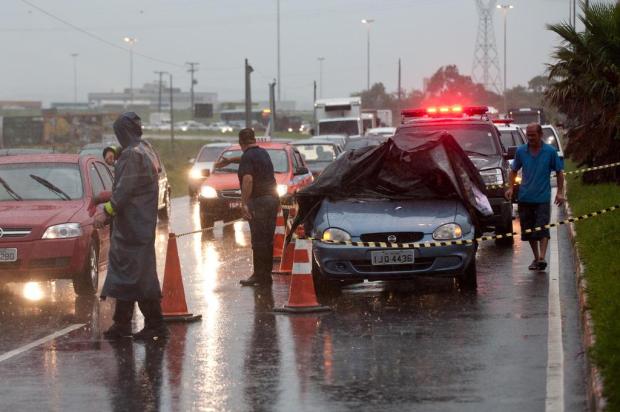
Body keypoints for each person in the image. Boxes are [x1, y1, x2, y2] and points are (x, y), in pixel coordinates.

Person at [97, 112, 168, 340]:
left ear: (123, 132)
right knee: (128, 275)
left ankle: (155, 324)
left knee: (137, 276)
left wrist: (106, 212)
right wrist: (113, 152)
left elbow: (124, 190)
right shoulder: (145, 149)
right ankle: (122, 323)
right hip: (140, 224)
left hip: (132, 227)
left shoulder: (131, 156)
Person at [215, 128, 279, 287]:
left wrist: (244, 204)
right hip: (272, 200)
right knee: (267, 240)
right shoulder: (262, 153)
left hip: (259, 202)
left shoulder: (247, 157)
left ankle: (259, 275)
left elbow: (248, 180)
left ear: (240, 143)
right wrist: (230, 161)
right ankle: (266, 275)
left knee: (258, 241)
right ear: (254, 139)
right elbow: (246, 158)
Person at [505, 123, 565, 271]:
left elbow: (559, 172)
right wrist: (510, 188)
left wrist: (560, 192)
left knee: (542, 227)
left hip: (542, 198)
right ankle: (536, 257)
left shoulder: (550, 152)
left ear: (540, 135)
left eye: (533, 135)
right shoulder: (521, 151)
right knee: (530, 230)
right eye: (528, 135)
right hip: (525, 197)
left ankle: (542, 258)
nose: (530, 138)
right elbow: (513, 171)